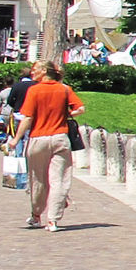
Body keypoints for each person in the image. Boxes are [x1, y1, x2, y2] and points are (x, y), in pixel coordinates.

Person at [16, 61, 85, 232]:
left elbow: (28, 118)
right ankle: (53, 220)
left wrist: (15, 138)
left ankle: (36, 215)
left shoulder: (34, 90)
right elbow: (81, 109)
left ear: (44, 71)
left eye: (35, 70)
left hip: (39, 138)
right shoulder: (64, 89)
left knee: (37, 180)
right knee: (60, 180)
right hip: (60, 138)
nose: (32, 73)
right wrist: (67, 113)